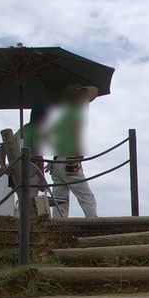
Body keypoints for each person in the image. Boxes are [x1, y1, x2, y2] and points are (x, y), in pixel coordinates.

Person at [48, 85, 98, 218]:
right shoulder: (76, 114)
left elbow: (52, 136)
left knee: (60, 200)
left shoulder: (63, 117)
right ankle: (94, 226)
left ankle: (58, 231)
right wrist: (77, 154)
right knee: (86, 197)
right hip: (69, 159)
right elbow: (75, 132)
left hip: (57, 160)